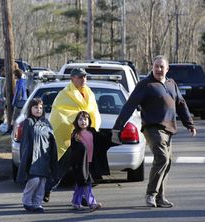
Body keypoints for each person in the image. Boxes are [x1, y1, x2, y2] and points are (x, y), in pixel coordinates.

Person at [112, 55, 197, 208]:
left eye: (161, 67)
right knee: (162, 158)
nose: (158, 69)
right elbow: (129, 105)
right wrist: (118, 127)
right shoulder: (145, 84)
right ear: (152, 67)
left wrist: (189, 124)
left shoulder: (172, 84)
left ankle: (160, 197)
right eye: (156, 66)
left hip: (169, 128)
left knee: (167, 162)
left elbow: (181, 104)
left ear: (167, 69)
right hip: (152, 127)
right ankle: (151, 194)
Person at [46, 67, 101, 201]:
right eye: (80, 77)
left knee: (84, 170)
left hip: (86, 139)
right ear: (72, 79)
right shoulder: (64, 94)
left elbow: (93, 112)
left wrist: (92, 129)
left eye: (85, 77)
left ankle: (83, 197)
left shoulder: (90, 93)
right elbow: (59, 114)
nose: (83, 79)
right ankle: (45, 190)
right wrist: (72, 125)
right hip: (70, 139)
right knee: (60, 169)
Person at [16, 98, 58, 213]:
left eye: (40, 107)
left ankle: (37, 204)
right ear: (30, 109)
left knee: (42, 182)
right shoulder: (28, 122)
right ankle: (27, 201)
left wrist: (52, 159)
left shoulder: (46, 122)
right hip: (32, 158)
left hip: (44, 157)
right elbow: (25, 143)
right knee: (34, 180)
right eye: (35, 107)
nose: (38, 110)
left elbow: (52, 141)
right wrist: (25, 158)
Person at [70, 111, 107, 211]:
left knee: (81, 183)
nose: (83, 121)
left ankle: (75, 202)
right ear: (76, 122)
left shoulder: (92, 132)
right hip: (80, 164)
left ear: (89, 121)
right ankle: (92, 203)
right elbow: (75, 149)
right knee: (86, 182)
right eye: (80, 119)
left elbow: (101, 141)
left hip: (90, 162)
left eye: (85, 119)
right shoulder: (75, 134)